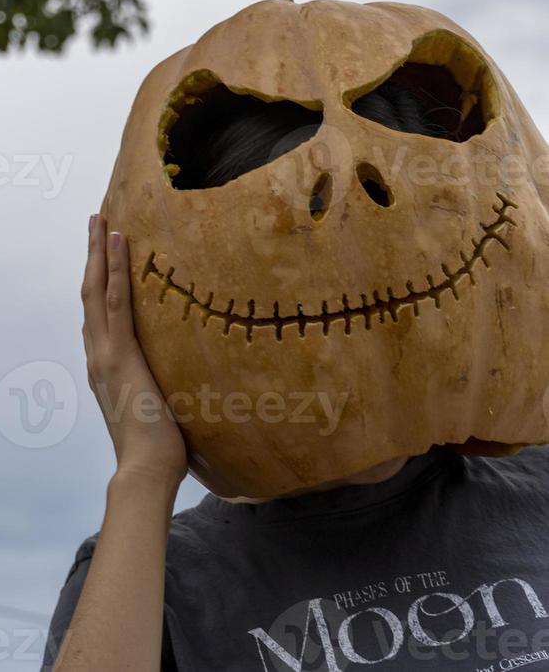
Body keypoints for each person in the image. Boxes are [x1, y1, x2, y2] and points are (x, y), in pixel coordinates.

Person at [40, 78, 549, 672]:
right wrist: (145, 472)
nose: (359, 316)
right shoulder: (157, 581)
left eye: (394, 249)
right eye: (297, 274)